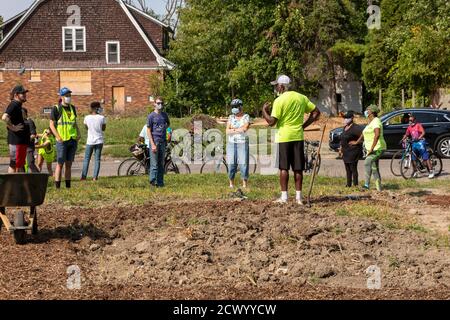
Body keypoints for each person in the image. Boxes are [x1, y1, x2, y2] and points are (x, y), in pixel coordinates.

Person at [262, 75, 321, 204]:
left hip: (284, 137)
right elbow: (316, 112)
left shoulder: (279, 100)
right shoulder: (301, 97)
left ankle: (284, 197)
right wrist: (304, 126)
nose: (276, 87)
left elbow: (272, 122)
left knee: (284, 168)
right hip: (298, 136)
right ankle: (299, 198)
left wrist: (264, 111)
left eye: (277, 85)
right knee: (298, 168)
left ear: (281, 86)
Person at [49, 87, 81, 189]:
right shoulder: (56, 108)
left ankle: (68, 187)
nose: (68, 97)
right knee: (60, 164)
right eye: (66, 95)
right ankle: (57, 187)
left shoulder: (72, 108)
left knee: (69, 164)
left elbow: (74, 122)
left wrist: (78, 133)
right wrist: (58, 137)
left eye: (69, 95)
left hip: (72, 139)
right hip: (62, 140)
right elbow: (51, 125)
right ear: (61, 96)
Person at [350, 104, 387, 191]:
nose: (366, 111)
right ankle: (378, 188)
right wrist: (356, 142)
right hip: (372, 149)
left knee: (367, 162)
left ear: (371, 112)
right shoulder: (370, 122)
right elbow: (363, 133)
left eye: (367, 110)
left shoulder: (376, 121)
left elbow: (377, 135)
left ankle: (367, 185)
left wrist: (371, 148)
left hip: (378, 148)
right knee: (374, 167)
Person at [2, 85, 30, 173]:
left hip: (20, 141)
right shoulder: (13, 104)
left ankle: (18, 185)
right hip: (16, 141)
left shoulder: (18, 105)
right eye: (23, 93)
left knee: (19, 164)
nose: (25, 95)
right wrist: (13, 127)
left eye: (25, 93)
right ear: (16, 95)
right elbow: (4, 117)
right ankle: (11, 185)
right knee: (15, 164)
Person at [226, 98, 250, 189]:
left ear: (240, 107)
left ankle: (244, 184)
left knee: (243, 163)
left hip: (243, 143)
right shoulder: (231, 117)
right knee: (231, 163)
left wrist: (233, 129)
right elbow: (227, 131)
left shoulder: (246, 116)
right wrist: (238, 129)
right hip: (232, 143)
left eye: (235, 107)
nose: (234, 108)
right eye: (233, 107)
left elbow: (245, 129)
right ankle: (231, 184)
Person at [401, 113, 434, 178]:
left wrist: (419, 138)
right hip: (414, 143)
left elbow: (423, 132)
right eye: (409, 121)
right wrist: (402, 139)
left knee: (425, 158)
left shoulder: (418, 125)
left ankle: (431, 171)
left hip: (420, 143)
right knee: (413, 158)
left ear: (415, 120)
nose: (410, 122)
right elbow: (407, 134)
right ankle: (415, 171)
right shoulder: (409, 127)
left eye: (412, 121)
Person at [147, 96, 170, 187]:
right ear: (154, 104)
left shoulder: (164, 115)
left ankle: (160, 183)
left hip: (162, 142)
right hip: (154, 142)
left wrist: (166, 131)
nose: (160, 105)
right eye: (158, 103)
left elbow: (168, 123)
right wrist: (152, 144)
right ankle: (152, 182)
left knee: (161, 164)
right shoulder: (151, 116)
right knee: (154, 164)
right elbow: (148, 130)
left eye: (161, 103)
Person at [81, 102, 107, 181]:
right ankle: (95, 177)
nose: (100, 108)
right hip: (99, 141)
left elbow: (86, 127)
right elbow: (103, 129)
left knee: (86, 159)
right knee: (97, 159)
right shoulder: (102, 118)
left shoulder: (86, 117)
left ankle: (83, 177)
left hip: (90, 141)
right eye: (99, 107)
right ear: (96, 108)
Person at [339, 111, 363, 187]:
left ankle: (355, 185)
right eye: (345, 118)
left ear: (352, 118)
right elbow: (342, 139)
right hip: (345, 151)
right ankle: (348, 184)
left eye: (347, 118)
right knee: (347, 169)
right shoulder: (345, 127)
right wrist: (340, 149)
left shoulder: (356, 128)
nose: (345, 119)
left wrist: (357, 142)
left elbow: (363, 135)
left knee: (353, 168)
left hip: (353, 151)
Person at [22, 107, 39, 173]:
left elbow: (33, 135)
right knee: (20, 164)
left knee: (30, 163)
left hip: (29, 146)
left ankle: (39, 178)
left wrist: (25, 139)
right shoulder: (20, 122)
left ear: (25, 113)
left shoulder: (29, 122)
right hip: (21, 146)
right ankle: (23, 180)